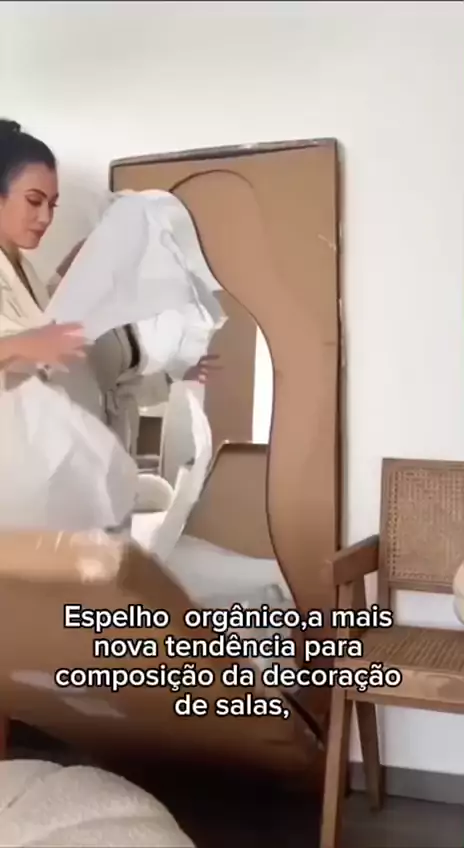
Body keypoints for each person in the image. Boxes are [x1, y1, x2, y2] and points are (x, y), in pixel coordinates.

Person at [0, 118, 219, 453]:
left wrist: (168, 374)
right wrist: (23, 344)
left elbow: (78, 363)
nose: (45, 217)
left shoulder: (24, 271)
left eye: (52, 205)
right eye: (34, 200)